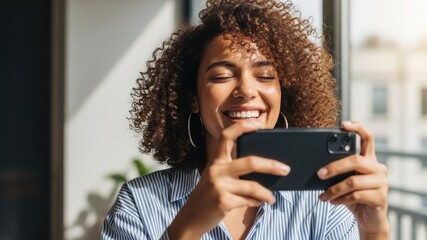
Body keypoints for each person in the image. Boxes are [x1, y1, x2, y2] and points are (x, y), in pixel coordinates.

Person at [102, 0, 389, 239]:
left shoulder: (325, 205)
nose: (247, 91)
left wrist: (374, 230)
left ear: (282, 94)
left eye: (265, 76)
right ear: (193, 98)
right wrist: (186, 229)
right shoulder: (138, 203)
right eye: (222, 76)